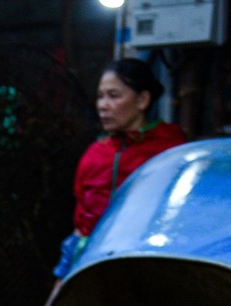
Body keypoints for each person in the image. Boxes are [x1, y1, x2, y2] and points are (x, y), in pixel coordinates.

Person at [54, 58, 188, 279]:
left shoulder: (170, 149)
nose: (102, 105)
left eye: (114, 96)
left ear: (142, 100)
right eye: (100, 96)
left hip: (149, 261)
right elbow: (82, 218)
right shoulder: (96, 154)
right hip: (92, 260)